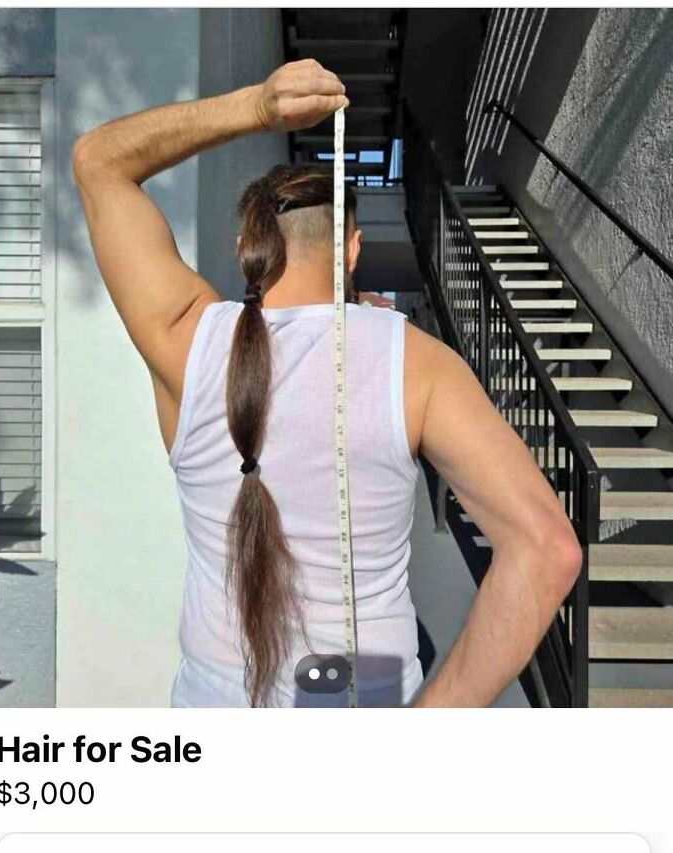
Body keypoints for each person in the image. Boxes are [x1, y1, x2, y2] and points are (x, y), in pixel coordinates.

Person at [72, 59, 582, 708]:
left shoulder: (186, 340)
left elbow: (98, 159)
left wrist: (257, 106)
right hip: (362, 711)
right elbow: (547, 551)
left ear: (245, 248)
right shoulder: (417, 364)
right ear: (351, 249)